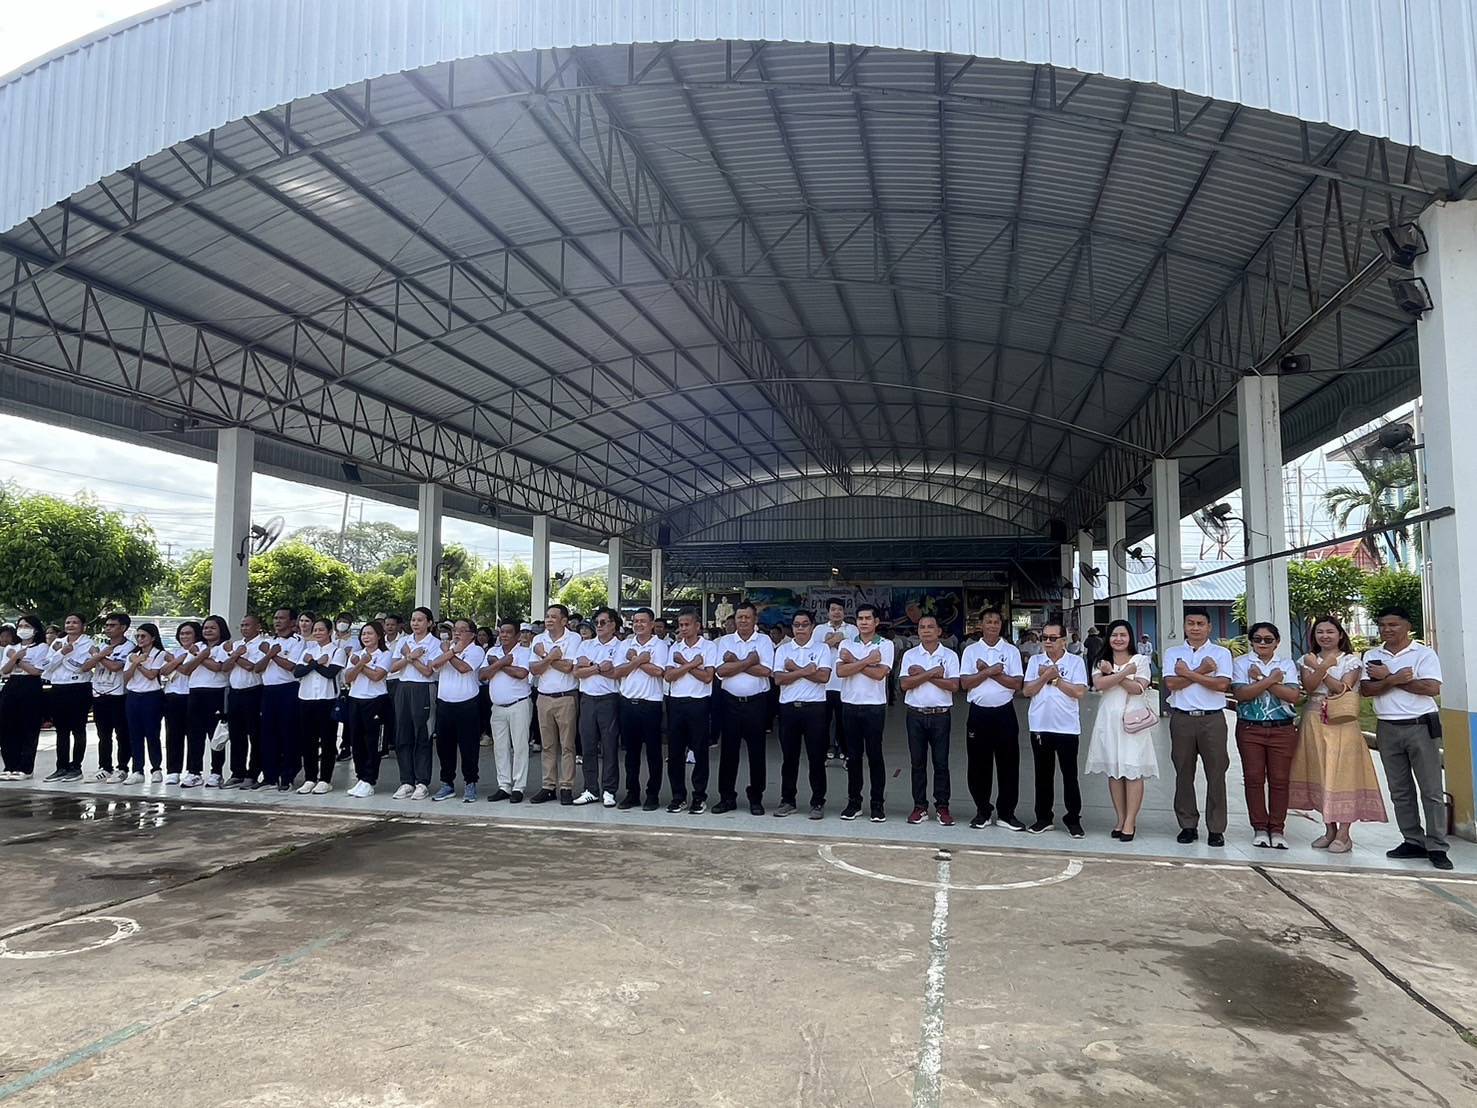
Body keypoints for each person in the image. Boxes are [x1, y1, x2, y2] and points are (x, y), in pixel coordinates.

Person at [1361, 606, 1451, 871]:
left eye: (1393, 625)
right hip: (1387, 727)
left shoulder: (1423, 654)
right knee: (1400, 789)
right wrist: (1394, 679)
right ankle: (1412, 840)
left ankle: (1437, 846)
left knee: (1431, 789)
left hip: (1420, 726)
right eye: (1382, 625)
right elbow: (1367, 689)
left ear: (1408, 626)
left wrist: (1388, 677)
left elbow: (1430, 688)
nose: (1387, 629)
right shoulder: (1372, 655)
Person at [1288, 616, 1386, 852]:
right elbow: (1310, 687)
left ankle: (1344, 833)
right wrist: (1321, 666)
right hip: (1313, 720)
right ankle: (1329, 829)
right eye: (1320, 632)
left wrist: (1320, 668)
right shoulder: (1307, 659)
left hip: (1342, 721)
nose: (1325, 636)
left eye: (1330, 631)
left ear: (1340, 634)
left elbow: (1342, 688)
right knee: (1320, 773)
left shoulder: (1351, 660)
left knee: (1342, 774)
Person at [1162, 607, 1234, 847]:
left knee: (1216, 773)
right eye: (1190, 623)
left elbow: (1222, 685)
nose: (1195, 628)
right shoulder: (1173, 653)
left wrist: (1188, 674)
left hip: (1212, 720)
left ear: (1209, 627)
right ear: (1184, 626)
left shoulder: (1221, 653)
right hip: (1182, 719)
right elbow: (1171, 684)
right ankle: (1187, 825)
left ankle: (1216, 828)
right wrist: (1203, 671)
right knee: (1183, 773)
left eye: (1200, 623)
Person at [1231, 622, 1302, 849]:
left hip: (1282, 729)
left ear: (1277, 642)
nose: (1262, 643)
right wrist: (1271, 679)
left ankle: (1278, 829)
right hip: (1250, 728)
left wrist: (1260, 678)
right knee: (1253, 779)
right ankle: (1260, 828)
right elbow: (1242, 694)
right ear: (1251, 641)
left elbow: (1292, 696)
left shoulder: (1286, 664)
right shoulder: (1241, 663)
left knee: (1280, 780)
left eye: (1268, 639)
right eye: (1258, 639)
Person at [1084, 619, 1156, 842]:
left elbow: (1138, 688)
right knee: (1114, 771)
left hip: (1133, 722)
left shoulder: (1140, 660)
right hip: (1109, 720)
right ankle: (1120, 818)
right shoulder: (1101, 661)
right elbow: (1099, 685)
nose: (1118, 639)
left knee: (1132, 770)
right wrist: (1122, 672)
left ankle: (1130, 822)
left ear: (1130, 637)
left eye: (1123, 635)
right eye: (1114, 635)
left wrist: (1114, 673)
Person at [958, 609, 1025, 831]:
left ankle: (1006, 813)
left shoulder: (1011, 651)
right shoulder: (971, 651)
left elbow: (1016, 684)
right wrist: (990, 672)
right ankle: (982, 811)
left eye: (997, 622)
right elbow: (965, 683)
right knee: (978, 765)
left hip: (1004, 713)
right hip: (979, 714)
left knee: (1009, 765)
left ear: (1001, 625)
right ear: (981, 624)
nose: (993, 625)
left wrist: (987, 671)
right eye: (989, 621)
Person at [1022, 621, 1089, 836]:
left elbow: (1079, 692)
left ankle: (1073, 818)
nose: (1048, 642)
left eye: (1053, 638)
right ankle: (1043, 817)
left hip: (1067, 727)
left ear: (1063, 641)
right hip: (1040, 725)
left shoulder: (1076, 662)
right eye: (1045, 638)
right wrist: (1044, 676)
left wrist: (1055, 679)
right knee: (1043, 775)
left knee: (1070, 775)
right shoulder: (1035, 661)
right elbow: (1027, 691)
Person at [899, 615, 960, 826]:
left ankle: (942, 807)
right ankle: (920, 806)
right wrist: (933, 673)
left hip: (940, 715)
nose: (926, 630)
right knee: (917, 763)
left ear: (938, 631)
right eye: (922, 627)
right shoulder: (910, 655)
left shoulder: (950, 655)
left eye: (930, 626)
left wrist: (922, 675)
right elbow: (905, 684)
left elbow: (954, 686)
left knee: (941, 763)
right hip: (915, 714)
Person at [715, 600, 775, 815]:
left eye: (747, 617)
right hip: (729, 703)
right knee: (728, 752)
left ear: (754, 619)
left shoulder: (764, 640)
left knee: (756, 752)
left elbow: (766, 671)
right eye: (739, 617)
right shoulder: (725, 641)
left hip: (756, 703)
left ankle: (756, 797)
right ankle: (726, 797)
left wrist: (735, 662)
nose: (742, 621)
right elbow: (721, 671)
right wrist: (748, 661)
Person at [771, 610, 831, 819]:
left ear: (812, 627)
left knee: (816, 758)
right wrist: (805, 671)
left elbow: (823, 677)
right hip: (789, 709)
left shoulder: (822, 648)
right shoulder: (784, 649)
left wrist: (794, 669)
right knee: (789, 758)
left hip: (815, 709)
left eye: (805, 624)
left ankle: (818, 802)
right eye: (796, 625)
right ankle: (788, 800)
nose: (800, 629)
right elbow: (779, 679)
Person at [835, 604, 893, 822]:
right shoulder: (846, 643)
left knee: (875, 756)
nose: (864, 622)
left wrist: (854, 662)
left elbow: (880, 674)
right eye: (860, 618)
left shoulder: (885, 645)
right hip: (850, 705)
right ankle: (854, 802)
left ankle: (877, 804)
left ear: (876, 622)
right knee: (853, 757)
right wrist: (867, 661)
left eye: (868, 618)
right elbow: (841, 671)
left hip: (874, 707)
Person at [663, 608, 717, 813]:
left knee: (700, 751)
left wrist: (684, 664)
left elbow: (707, 677)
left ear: (697, 626)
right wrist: (693, 664)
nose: (683, 628)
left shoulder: (709, 647)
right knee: (675, 752)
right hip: (676, 702)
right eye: (681, 625)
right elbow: (669, 676)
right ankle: (678, 796)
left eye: (687, 624)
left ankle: (699, 796)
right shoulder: (675, 648)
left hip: (699, 703)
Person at [614, 607, 668, 811]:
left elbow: (658, 671)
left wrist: (634, 660)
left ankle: (652, 795)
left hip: (650, 704)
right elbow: (617, 671)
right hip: (628, 703)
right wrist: (639, 659)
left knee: (653, 752)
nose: (638, 624)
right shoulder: (626, 644)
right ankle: (632, 794)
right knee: (631, 753)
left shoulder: (659, 645)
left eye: (643, 621)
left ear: (652, 624)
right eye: (635, 621)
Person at [573, 606, 624, 807]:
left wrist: (590, 666)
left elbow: (614, 672)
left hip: (609, 699)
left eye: (604, 622)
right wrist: (597, 665)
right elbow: (577, 672)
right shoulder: (586, 645)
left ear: (613, 625)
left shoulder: (620, 646)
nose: (599, 626)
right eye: (597, 623)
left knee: (609, 746)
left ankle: (609, 790)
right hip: (587, 699)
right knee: (588, 746)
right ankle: (590, 789)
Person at [529, 604, 580, 805]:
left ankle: (566, 786)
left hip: (566, 697)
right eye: (547, 616)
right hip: (544, 697)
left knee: (567, 745)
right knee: (548, 745)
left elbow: (568, 667)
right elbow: (534, 669)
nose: (549, 620)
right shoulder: (538, 640)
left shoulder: (573, 638)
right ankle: (548, 786)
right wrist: (549, 656)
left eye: (553, 617)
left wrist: (544, 656)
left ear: (564, 620)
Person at [390, 606, 442, 801]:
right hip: (403, 688)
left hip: (423, 689)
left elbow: (428, 671)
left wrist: (411, 657)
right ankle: (406, 781)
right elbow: (393, 667)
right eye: (413, 620)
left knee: (422, 735)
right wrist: (410, 656)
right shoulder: (404, 641)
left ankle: (422, 782)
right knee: (403, 735)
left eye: (420, 620)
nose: (415, 623)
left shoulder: (435, 644)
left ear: (429, 623)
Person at [431, 617, 484, 802]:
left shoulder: (476, 650)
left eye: (462, 630)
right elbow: (433, 665)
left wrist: (450, 653)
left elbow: (463, 668)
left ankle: (470, 782)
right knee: (444, 746)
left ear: (472, 634)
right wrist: (451, 651)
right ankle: (447, 783)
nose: (457, 633)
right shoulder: (446, 648)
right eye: (455, 630)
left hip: (467, 704)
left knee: (469, 746)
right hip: (444, 704)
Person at [480, 618, 532, 803]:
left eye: (509, 632)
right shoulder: (492, 652)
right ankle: (504, 786)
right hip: (497, 707)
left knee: (520, 747)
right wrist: (501, 662)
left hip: (519, 704)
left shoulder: (525, 651)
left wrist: (498, 665)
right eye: (502, 632)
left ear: (517, 635)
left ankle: (518, 787)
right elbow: (482, 675)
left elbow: (521, 673)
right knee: (500, 748)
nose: (504, 635)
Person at [80, 612, 134, 782]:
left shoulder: (129, 647)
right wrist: (99, 655)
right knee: (103, 734)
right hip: (99, 693)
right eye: (107, 625)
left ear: (123, 628)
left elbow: (116, 666)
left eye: (112, 625)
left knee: (122, 733)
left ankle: (122, 767)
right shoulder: (101, 645)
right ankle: (104, 767)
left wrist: (99, 656)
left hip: (118, 694)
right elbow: (85, 667)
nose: (108, 628)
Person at [295, 618, 346, 795]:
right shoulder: (308, 651)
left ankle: (325, 779)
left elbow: (330, 673)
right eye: (315, 630)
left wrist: (312, 663)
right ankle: (310, 778)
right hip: (306, 698)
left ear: (330, 632)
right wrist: (316, 662)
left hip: (327, 699)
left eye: (321, 630)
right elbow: (297, 672)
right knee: (307, 741)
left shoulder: (337, 651)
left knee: (328, 741)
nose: (317, 633)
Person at [343, 620, 392, 798]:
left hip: (376, 701)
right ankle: (361, 777)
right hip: (355, 699)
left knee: (373, 742)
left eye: (370, 633)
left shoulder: (385, 654)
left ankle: (370, 779)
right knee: (356, 741)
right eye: (363, 634)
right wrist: (360, 663)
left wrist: (361, 664)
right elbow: (348, 677)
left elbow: (377, 676)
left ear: (378, 636)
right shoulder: (356, 655)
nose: (366, 637)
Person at [42, 613, 93, 782]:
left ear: (83, 626)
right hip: (58, 688)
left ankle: (76, 767)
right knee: (61, 730)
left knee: (78, 729)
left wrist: (61, 658)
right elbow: (46, 666)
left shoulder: (88, 644)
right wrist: (61, 653)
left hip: (79, 688)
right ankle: (61, 767)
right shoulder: (58, 643)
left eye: (75, 622)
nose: (70, 625)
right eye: (68, 622)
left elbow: (81, 668)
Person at [257, 607, 304, 791]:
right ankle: (270, 776)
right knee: (268, 734)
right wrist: (270, 653)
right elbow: (257, 668)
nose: (277, 621)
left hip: (288, 690)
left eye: (282, 618)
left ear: (292, 622)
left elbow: (291, 666)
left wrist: (271, 654)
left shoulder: (297, 641)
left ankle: (287, 776)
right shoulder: (269, 642)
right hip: (268, 690)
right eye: (275, 618)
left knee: (288, 733)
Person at [181, 615, 230, 788]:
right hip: (195, 692)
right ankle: (194, 772)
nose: (208, 631)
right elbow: (186, 669)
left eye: (212, 628)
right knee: (195, 734)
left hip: (216, 693)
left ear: (221, 630)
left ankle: (216, 772)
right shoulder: (198, 647)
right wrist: (200, 655)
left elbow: (218, 667)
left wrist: (199, 657)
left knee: (215, 734)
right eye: (205, 628)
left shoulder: (224, 646)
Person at [0, 615, 48, 780]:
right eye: (20, 626)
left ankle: (26, 768)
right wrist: (14, 657)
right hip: (12, 684)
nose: (22, 629)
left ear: (35, 629)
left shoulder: (41, 647)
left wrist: (17, 659)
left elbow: (36, 671)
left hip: (31, 686)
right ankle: (10, 765)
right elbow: (4, 670)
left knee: (29, 726)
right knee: (7, 726)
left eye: (27, 626)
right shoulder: (11, 647)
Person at [223, 613, 268, 788]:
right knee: (236, 735)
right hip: (235, 693)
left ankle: (253, 773)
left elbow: (252, 667)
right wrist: (234, 654)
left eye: (247, 625)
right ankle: (237, 772)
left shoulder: (262, 644)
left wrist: (235, 655)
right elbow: (225, 667)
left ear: (258, 627)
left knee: (255, 735)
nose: (244, 628)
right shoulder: (236, 645)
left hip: (254, 692)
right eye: (242, 625)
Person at [122, 622, 169, 784]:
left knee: (152, 733)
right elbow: (125, 677)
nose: (140, 639)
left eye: (143, 636)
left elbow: (151, 675)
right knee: (135, 734)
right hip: (133, 696)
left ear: (153, 637)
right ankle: (137, 770)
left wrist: (139, 663)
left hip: (152, 696)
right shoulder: (132, 655)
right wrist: (135, 662)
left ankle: (156, 768)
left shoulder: (159, 654)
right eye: (138, 636)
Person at [159, 620, 202, 784]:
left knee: (193, 735)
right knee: (173, 735)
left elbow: (187, 670)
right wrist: (178, 660)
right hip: (172, 696)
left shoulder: (200, 650)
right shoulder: (174, 652)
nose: (184, 636)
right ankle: (173, 770)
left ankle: (193, 770)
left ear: (196, 635)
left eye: (188, 633)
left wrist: (176, 661)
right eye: (182, 633)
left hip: (191, 695)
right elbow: (164, 671)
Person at [818, 599, 858, 762]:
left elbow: (856, 651)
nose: (836, 612)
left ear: (844, 612)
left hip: (844, 684)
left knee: (844, 720)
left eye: (840, 609)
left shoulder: (852, 629)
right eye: (833, 609)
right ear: (828, 612)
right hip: (824, 684)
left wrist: (841, 641)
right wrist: (830, 642)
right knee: (824, 720)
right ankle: (827, 748)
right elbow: (815, 652)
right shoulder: (819, 629)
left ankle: (844, 749)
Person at [380, 613, 403, 757]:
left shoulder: (404, 640)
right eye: (387, 624)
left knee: (397, 713)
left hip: (397, 680)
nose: (389, 627)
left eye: (392, 625)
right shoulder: (380, 641)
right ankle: (384, 744)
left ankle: (396, 741)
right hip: (381, 680)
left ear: (399, 626)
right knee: (383, 714)